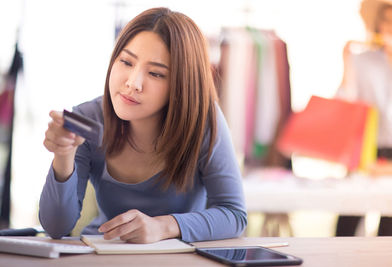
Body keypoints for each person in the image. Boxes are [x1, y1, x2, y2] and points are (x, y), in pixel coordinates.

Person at [39, 7, 247, 243]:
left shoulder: (203, 122)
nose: (133, 83)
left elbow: (234, 214)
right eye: (126, 62)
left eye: (156, 74)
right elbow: (56, 228)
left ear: (181, 85)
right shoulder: (88, 118)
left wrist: (164, 226)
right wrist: (63, 156)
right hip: (104, 254)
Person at [336, 0, 392, 236]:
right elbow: (346, 105)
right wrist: (346, 64)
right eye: (386, 20)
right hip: (364, 149)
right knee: (348, 219)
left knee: (389, 227)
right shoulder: (362, 60)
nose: (390, 27)